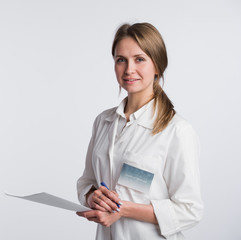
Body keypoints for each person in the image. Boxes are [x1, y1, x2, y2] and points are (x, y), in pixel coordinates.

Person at [76, 22, 203, 240]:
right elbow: (86, 181)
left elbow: (190, 210)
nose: (128, 69)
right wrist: (92, 198)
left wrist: (122, 209)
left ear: (157, 65)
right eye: (120, 60)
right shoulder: (103, 122)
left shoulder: (177, 131)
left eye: (139, 59)